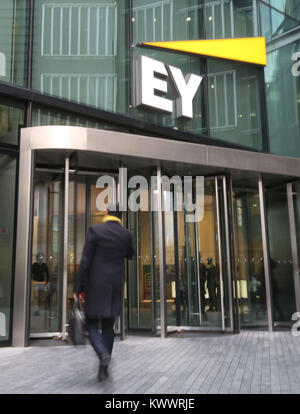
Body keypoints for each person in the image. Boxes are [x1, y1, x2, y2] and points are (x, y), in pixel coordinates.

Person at [73, 203, 134, 382]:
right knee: (108, 327)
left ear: (107, 212)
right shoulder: (126, 234)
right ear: (121, 216)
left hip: (96, 284)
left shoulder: (95, 231)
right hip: (115, 285)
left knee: (90, 323)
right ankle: (103, 370)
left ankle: (102, 353)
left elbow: (85, 261)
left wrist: (77, 288)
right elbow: (130, 254)